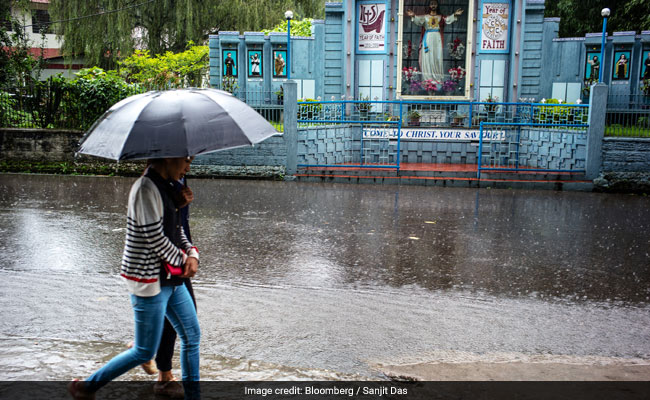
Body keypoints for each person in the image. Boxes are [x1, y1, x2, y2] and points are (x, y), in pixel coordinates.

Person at [68, 157, 201, 400]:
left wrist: (192, 252)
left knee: (192, 336)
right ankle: (86, 387)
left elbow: (176, 229)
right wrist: (185, 260)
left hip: (171, 278)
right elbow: (155, 238)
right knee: (143, 351)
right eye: (186, 159)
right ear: (169, 156)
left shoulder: (170, 186)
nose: (188, 167)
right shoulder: (144, 189)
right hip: (149, 280)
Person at [406, 0, 463, 83]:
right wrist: (413, 16)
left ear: (437, 5)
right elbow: (418, 21)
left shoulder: (440, 17)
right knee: (427, 57)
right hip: (428, 38)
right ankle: (427, 79)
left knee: (437, 56)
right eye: (431, 4)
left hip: (437, 38)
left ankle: (437, 79)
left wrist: (454, 15)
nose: (433, 5)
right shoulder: (425, 17)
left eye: (435, 4)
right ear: (429, 5)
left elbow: (447, 19)